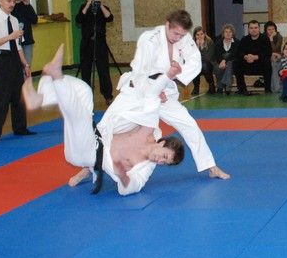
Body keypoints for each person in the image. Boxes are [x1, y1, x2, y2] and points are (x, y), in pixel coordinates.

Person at [23, 45, 184, 196]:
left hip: (90, 154)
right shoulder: (147, 129)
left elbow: (136, 185)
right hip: (91, 141)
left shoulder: (146, 166)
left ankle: (56, 78)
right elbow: (149, 100)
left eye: (164, 162)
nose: (160, 161)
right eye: (164, 156)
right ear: (162, 143)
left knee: (80, 116)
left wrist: (123, 176)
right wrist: (163, 85)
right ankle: (42, 97)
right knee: (84, 92)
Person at [128, 9, 230, 179]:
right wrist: (153, 90)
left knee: (189, 125)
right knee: (120, 127)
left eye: (182, 35)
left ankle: (210, 166)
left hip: (165, 92)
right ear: (167, 24)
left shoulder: (184, 37)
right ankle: (91, 164)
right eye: (175, 33)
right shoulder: (149, 39)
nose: (178, 38)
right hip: (142, 91)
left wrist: (173, 77)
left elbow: (195, 61)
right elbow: (139, 70)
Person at [0, 0, 33, 143]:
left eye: (13, 1)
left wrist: (25, 64)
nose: (11, 4)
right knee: (1, 97)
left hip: (15, 59)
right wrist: (9, 37)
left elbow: (18, 45)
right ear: (0, 1)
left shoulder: (14, 20)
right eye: (8, 1)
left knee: (18, 96)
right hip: (2, 59)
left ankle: (20, 128)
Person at [75, 0, 114, 105]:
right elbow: (78, 19)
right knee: (86, 70)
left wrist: (100, 5)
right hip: (87, 43)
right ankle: (85, 95)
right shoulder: (83, 8)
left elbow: (109, 17)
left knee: (103, 70)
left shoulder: (103, 8)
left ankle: (108, 95)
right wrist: (87, 6)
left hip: (100, 43)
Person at [234, 20, 273, 95]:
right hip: (248, 64)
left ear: (259, 29)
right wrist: (245, 57)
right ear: (248, 29)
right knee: (236, 63)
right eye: (251, 28)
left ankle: (267, 89)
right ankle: (242, 89)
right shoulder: (244, 39)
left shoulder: (265, 39)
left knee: (267, 63)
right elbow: (239, 52)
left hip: (260, 65)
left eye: (255, 27)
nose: (253, 30)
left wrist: (255, 57)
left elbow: (268, 53)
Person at [9, 0, 38, 67]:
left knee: (27, 65)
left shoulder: (26, 5)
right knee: (15, 65)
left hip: (27, 40)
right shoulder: (9, 6)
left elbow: (34, 20)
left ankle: (26, 76)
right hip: (13, 40)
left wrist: (28, 6)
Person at [212, 24, 237, 95]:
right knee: (217, 68)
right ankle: (225, 87)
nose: (228, 34)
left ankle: (222, 87)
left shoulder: (237, 42)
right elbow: (216, 55)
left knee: (229, 64)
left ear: (233, 33)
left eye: (230, 32)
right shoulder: (218, 43)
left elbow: (235, 55)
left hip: (233, 64)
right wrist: (221, 62)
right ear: (223, 33)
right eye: (226, 32)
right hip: (220, 62)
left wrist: (224, 61)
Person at [191, 26, 215, 95]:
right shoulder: (192, 44)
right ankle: (196, 87)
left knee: (204, 65)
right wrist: (197, 47)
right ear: (195, 36)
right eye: (197, 35)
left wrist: (201, 47)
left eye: (201, 34)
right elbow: (192, 58)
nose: (200, 36)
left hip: (209, 64)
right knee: (195, 66)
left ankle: (211, 84)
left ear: (205, 34)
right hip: (198, 64)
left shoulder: (210, 42)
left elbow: (208, 58)